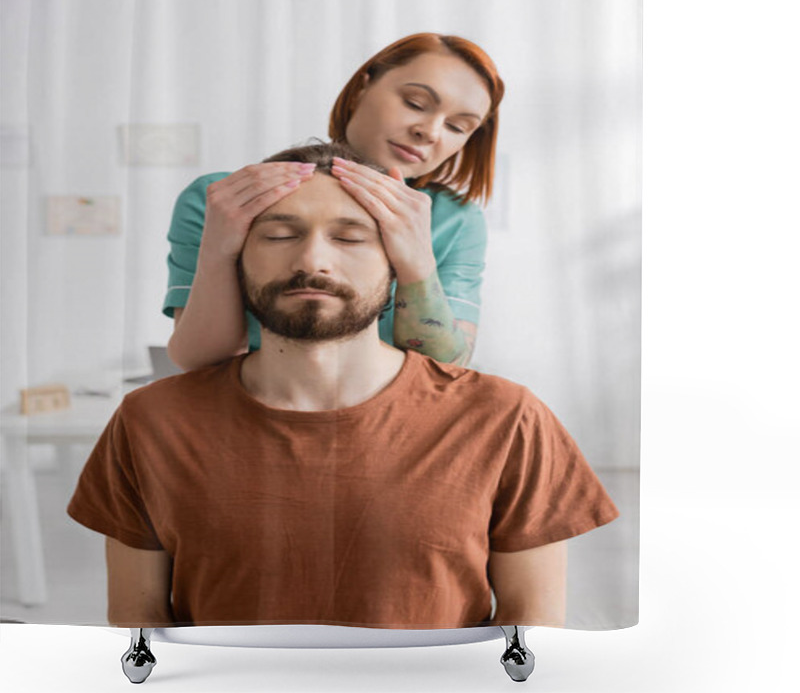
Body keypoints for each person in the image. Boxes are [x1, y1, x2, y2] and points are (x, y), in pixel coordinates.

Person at [68, 143, 618, 630]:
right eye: (279, 235)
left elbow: (534, 629)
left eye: (351, 237)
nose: (312, 261)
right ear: (236, 261)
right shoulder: (150, 421)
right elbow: (137, 627)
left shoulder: (506, 417)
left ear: (397, 264)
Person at [164, 33, 505, 371]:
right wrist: (219, 251)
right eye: (415, 103)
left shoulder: (454, 220)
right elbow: (198, 362)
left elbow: (445, 370)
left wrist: (416, 262)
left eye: (458, 127)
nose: (429, 131)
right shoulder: (228, 198)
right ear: (362, 88)